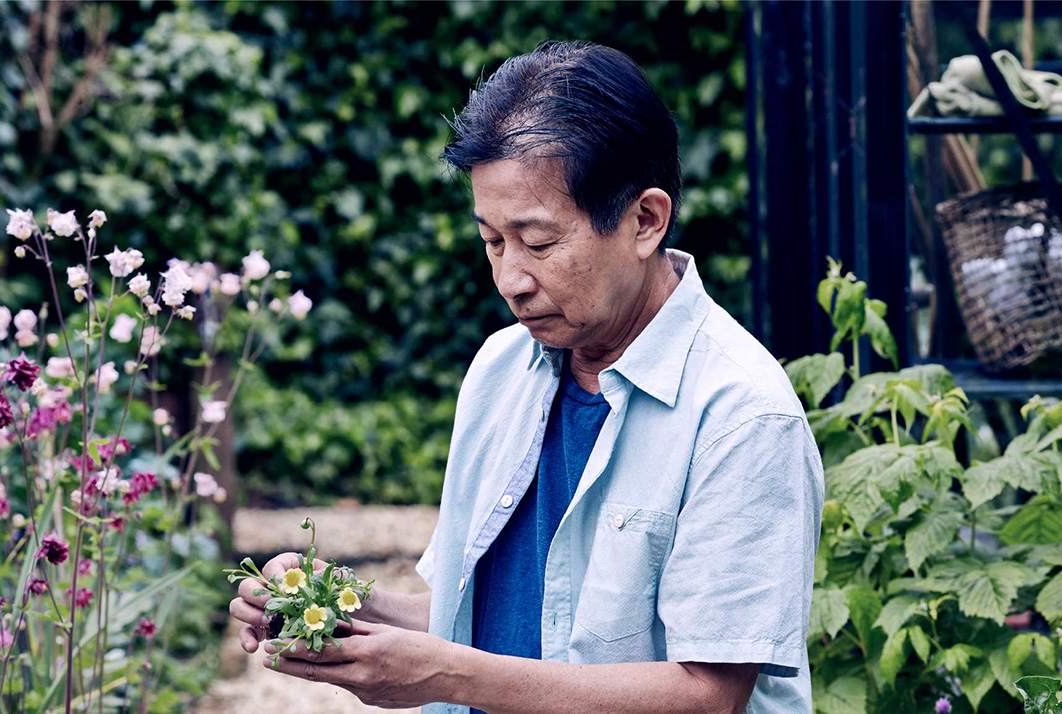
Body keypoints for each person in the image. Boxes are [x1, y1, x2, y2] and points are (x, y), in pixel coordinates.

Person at [228, 40, 823, 713]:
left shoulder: (741, 413)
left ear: (644, 221)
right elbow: (474, 622)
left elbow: (708, 696)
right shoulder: (500, 369)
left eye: (539, 243)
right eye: (491, 240)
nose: (510, 278)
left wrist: (446, 676)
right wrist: (341, 609)